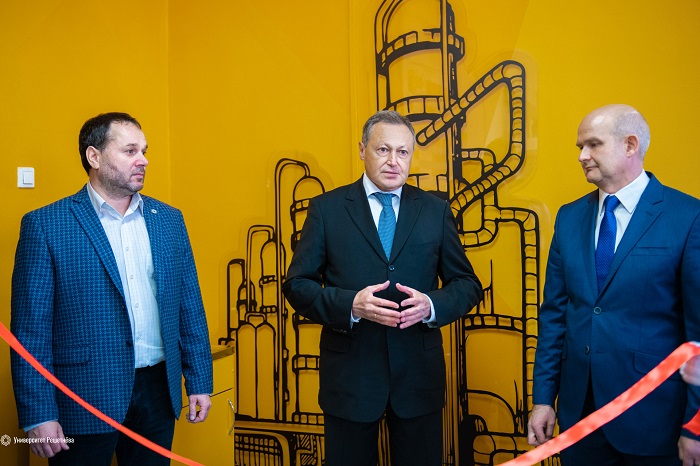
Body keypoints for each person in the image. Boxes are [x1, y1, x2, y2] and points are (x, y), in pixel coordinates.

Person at [10, 112, 213, 465]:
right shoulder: (46, 225)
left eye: (144, 151)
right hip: (83, 394)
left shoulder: (169, 220)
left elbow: (189, 306)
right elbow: (30, 331)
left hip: (157, 392)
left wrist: (199, 380)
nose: (143, 160)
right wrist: (38, 412)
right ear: (94, 156)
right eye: (131, 151)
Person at [282, 110, 483, 466]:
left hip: (418, 379)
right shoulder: (327, 210)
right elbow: (297, 285)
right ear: (362, 150)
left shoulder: (435, 211)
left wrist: (431, 305)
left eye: (402, 152)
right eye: (383, 150)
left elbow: (468, 284)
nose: (393, 161)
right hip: (350, 380)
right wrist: (350, 305)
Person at [527, 104, 700, 465]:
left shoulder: (687, 216)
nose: (582, 156)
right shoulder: (569, 217)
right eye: (580, 147)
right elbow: (554, 316)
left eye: (593, 144)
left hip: (654, 419)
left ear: (630, 145)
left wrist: (695, 425)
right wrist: (543, 398)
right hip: (579, 418)